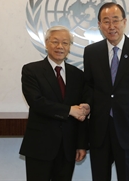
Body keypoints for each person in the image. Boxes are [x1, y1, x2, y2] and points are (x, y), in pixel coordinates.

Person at [83, 2, 129, 181]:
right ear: (99, 25)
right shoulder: (91, 52)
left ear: (124, 21)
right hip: (100, 128)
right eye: (106, 21)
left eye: (115, 20)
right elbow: (89, 87)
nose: (111, 26)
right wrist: (85, 106)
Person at [20, 25, 90, 181]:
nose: (60, 46)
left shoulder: (77, 75)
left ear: (69, 47)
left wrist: (81, 144)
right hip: (40, 146)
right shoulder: (31, 71)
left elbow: (81, 111)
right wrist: (68, 110)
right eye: (55, 42)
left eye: (65, 43)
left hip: (68, 147)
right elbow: (36, 102)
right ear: (46, 43)